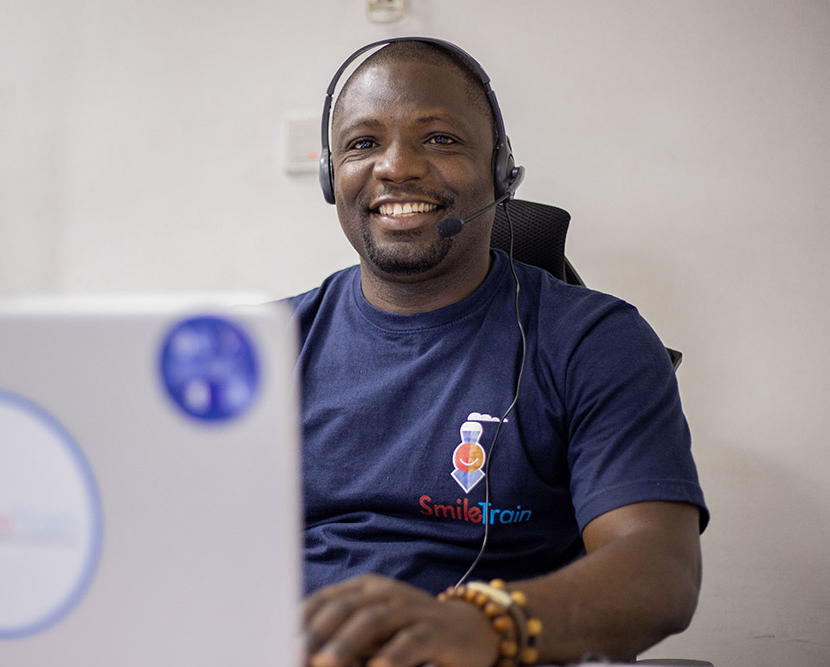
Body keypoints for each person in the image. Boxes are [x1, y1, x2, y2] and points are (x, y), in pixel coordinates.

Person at [287, 38, 708, 667]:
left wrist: (481, 624)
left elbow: (659, 569)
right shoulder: (259, 350)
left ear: (501, 171)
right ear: (331, 176)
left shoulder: (594, 340)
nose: (395, 167)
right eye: (363, 143)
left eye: (439, 139)